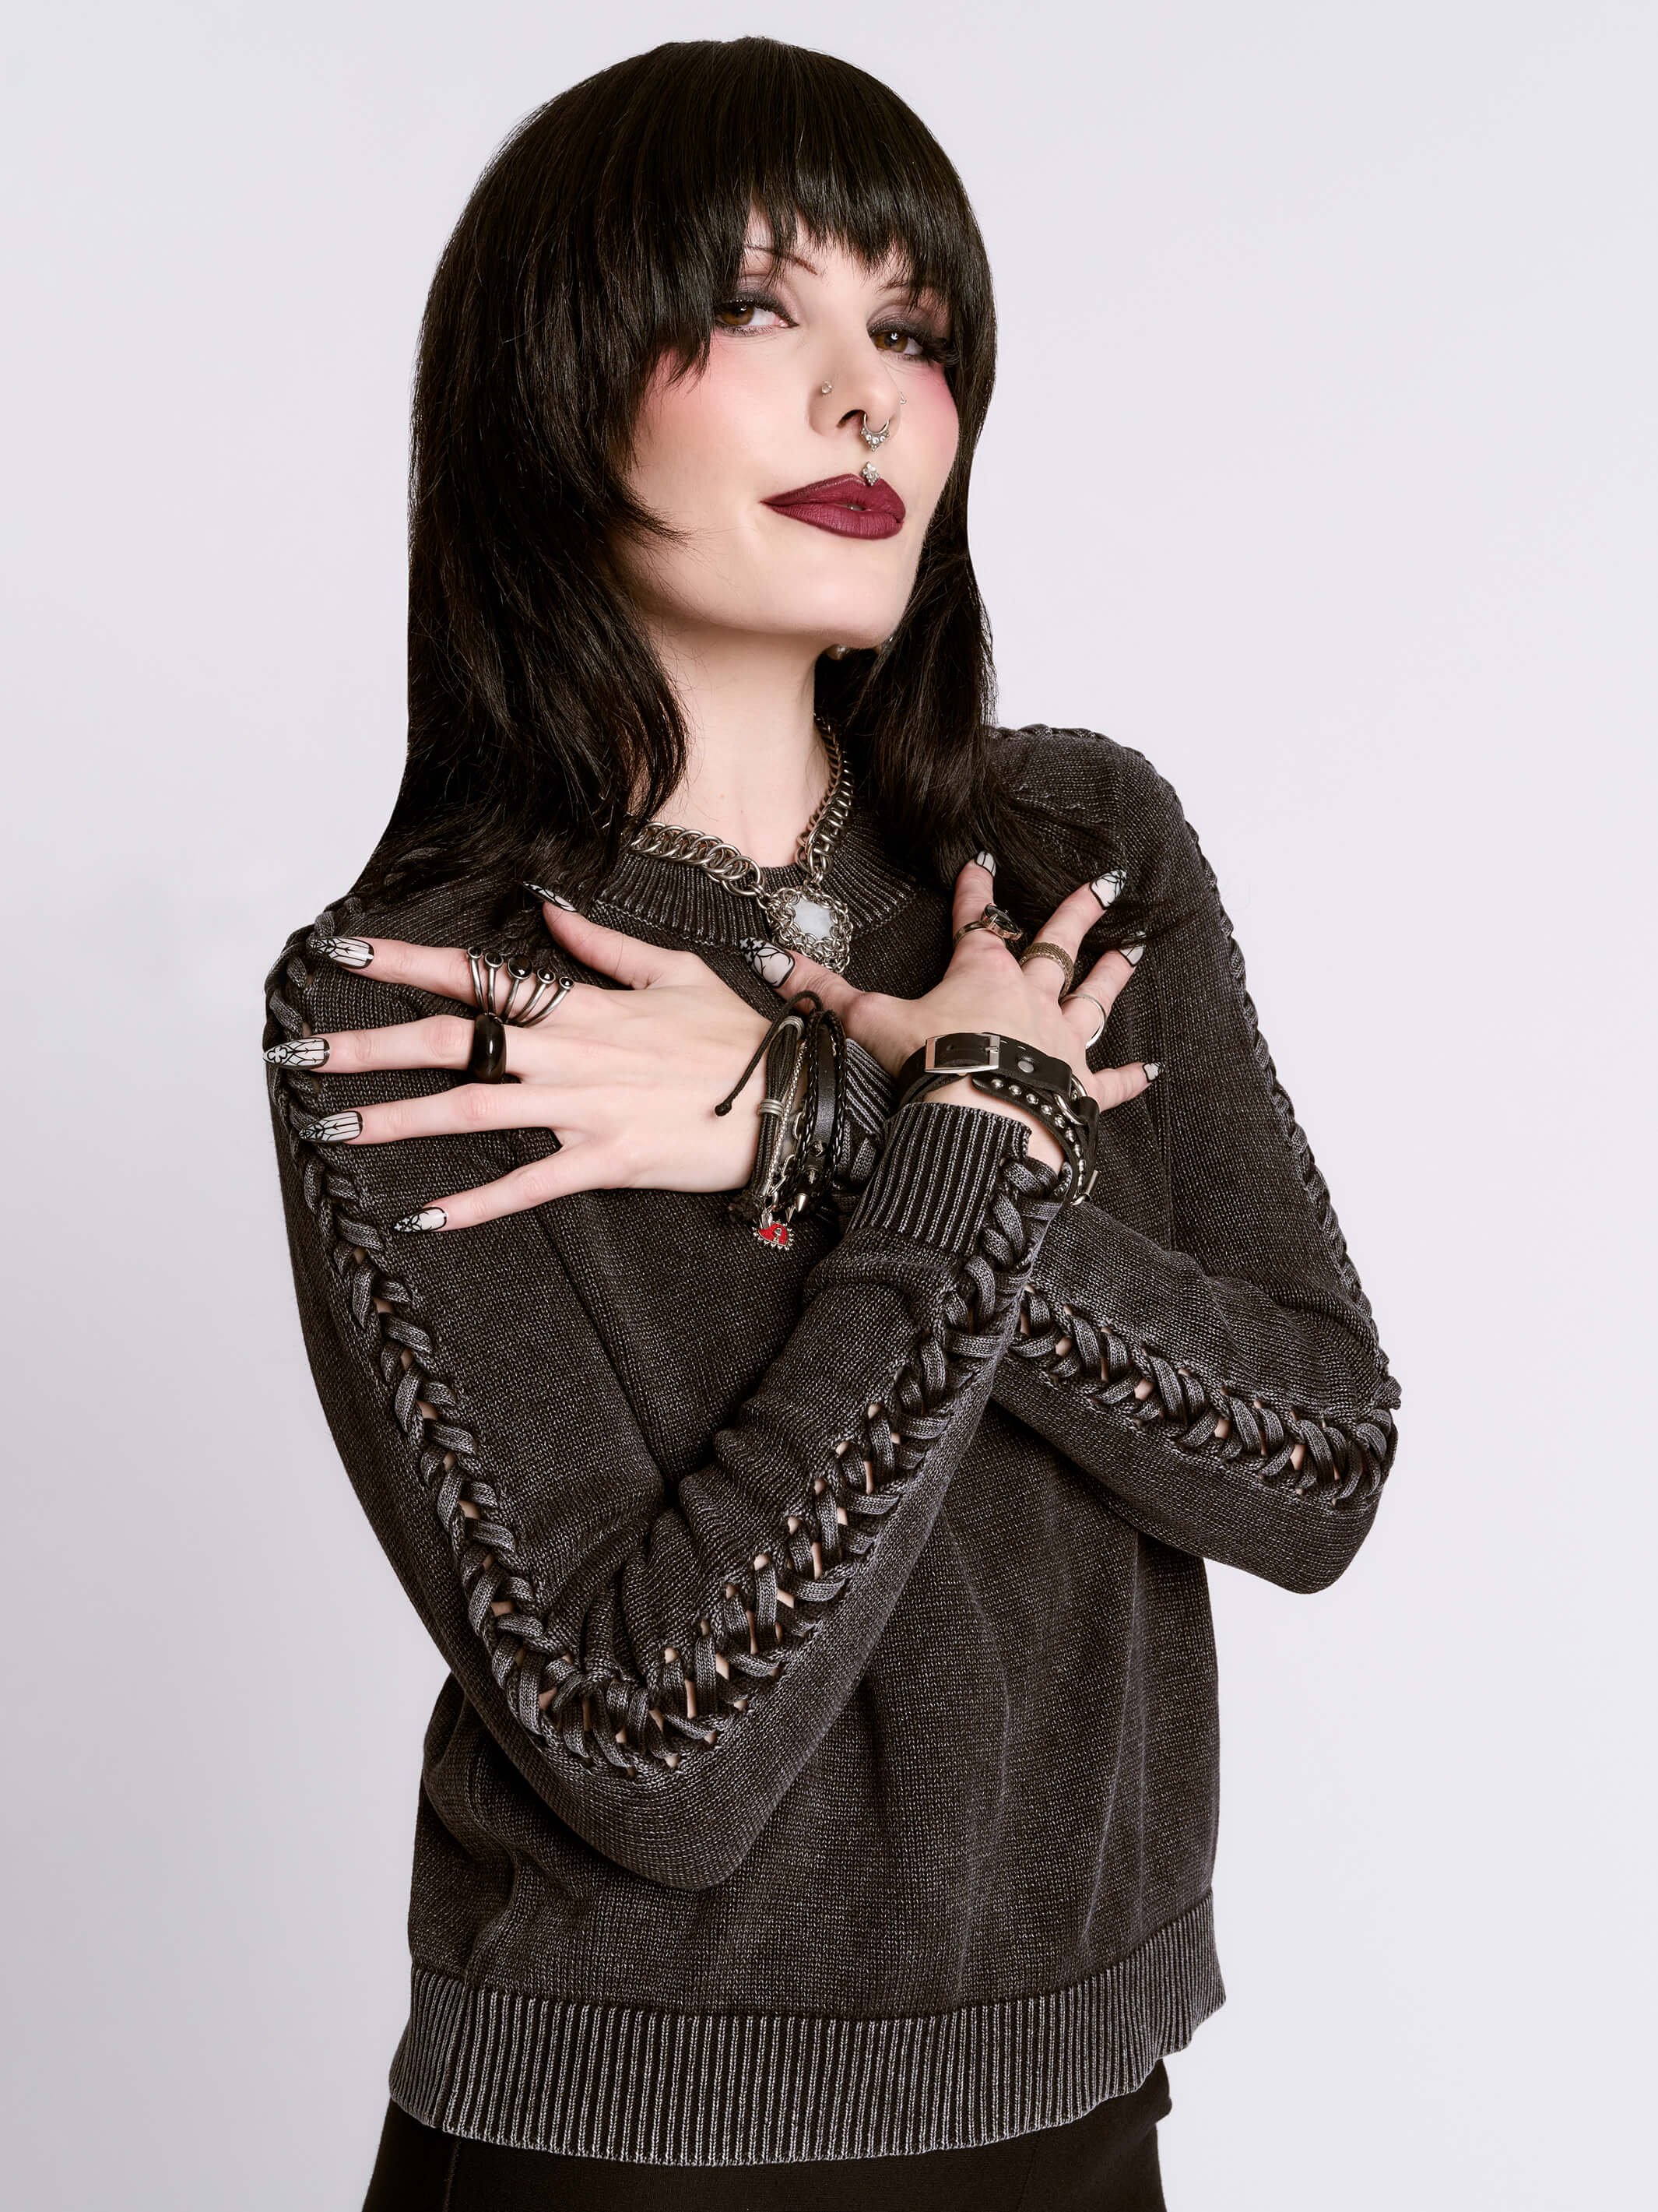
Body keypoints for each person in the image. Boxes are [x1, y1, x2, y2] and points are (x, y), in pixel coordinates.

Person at [262, 37, 1400, 2210]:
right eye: (757, 308)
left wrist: (832, 1123)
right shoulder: (421, 1003)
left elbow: (1317, 1465)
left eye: (914, 330)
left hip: (1079, 2113)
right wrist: (967, 1130)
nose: (866, 397)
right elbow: (656, 1750)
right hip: (628, 2155)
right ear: (558, 380)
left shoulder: (1071, 854)